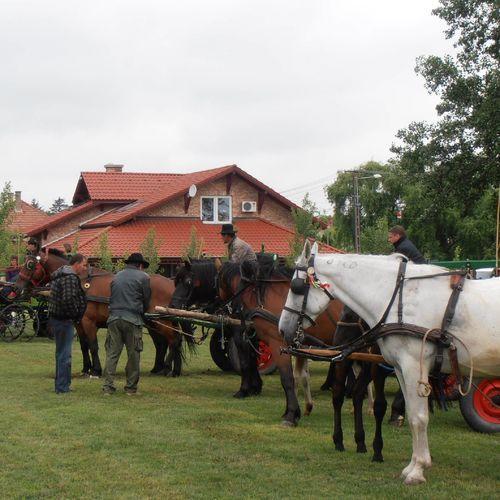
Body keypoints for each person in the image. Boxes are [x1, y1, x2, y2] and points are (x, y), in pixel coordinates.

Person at [103, 252, 151, 396]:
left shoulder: (116, 276)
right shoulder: (144, 277)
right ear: (140, 265)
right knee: (133, 355)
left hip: (113, 319)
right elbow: (146, 299)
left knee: (112, 354)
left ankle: (108, 387)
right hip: (132, 319)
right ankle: (130, 388)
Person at [48, 253, 88, 394]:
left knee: (60, 353)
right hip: (64, 319)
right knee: (65, 354)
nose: (85, 268)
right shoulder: (70, 278)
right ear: (76, 264)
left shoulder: (61, 274)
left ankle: (61, 384)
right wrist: (75, 316)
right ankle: (63, 387)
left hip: (57, 318)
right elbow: (68, 299)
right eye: (84, 265)